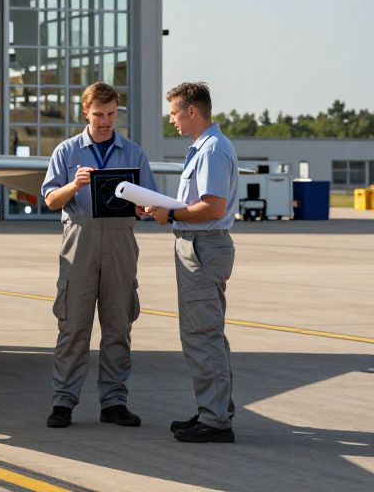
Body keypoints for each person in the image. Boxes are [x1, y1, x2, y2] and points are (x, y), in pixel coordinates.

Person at [40, 82, 157, 429]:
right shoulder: (66, 151)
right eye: (98, 115)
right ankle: (63, 402)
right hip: (80, 242)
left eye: (111, 114)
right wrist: (74, 186)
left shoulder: (133, 153)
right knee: (73, 326)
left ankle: (114, 402)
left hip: (121, 243)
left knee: (118, 326)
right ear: (85, 113)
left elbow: (147, 203)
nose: (106, 121)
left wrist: (145, 207)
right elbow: (49, 200)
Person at [145, 82, 239, 443]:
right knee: (204, 333)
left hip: (204, 247)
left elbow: (211, 207)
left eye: (174, 113)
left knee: (203, 334)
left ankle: (215, 421)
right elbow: (199, 203)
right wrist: (165, 209)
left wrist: (170, 214)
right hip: (199, 246)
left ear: (192, 111)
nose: (172, 120)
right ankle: (212, 411)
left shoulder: (212, 150)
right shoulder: (204, 148)